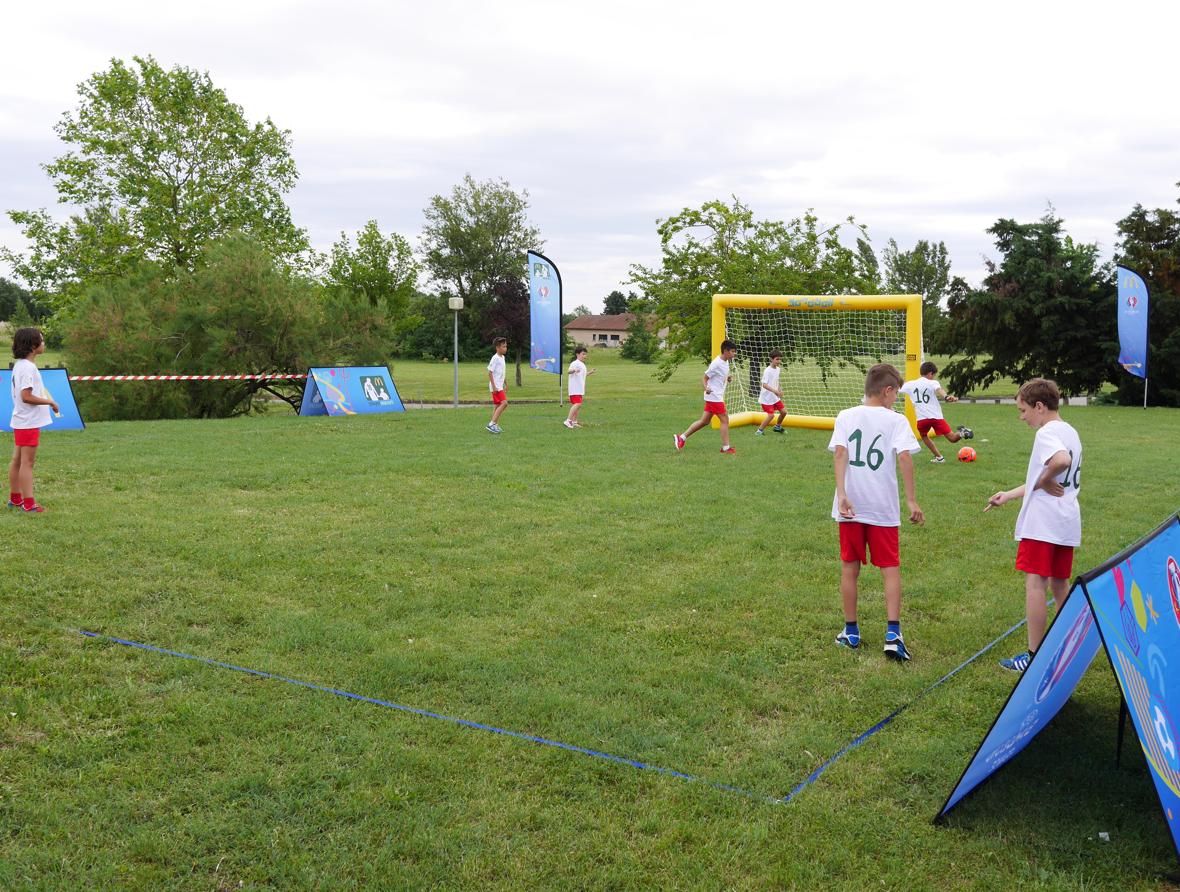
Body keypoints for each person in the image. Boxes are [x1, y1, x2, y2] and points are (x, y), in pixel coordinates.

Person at [985, 378, 1082, 673]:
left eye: (1023, 409)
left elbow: (1060, 462)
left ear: (1039, 406)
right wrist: (1010, 495)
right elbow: (1050, 476)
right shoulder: (1071, 431)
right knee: (1059, 583)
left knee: (1035, 585)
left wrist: (1041, 479)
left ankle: (1034, 656)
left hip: (1043, 524)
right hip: (1066, 521)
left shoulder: (1047, 433)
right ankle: (1070, 643)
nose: (1022, 416)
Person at [830, 363, 924, 661]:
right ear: (887, 391)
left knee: (849, 567)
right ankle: (893, 634)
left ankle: (851, 631)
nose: (896, 399)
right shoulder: (896, 421)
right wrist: (911, 501)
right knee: (890, 568)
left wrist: (842, 493)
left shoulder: (845, 416)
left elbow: (841, 453)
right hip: (882, 507)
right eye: (896, 393)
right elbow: (905, 457)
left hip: (851, 507)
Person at [8, 327, 58, 514]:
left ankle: (15, 499)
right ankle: (29, 503)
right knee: (27, 463)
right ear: (33, 345)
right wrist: (50, 401)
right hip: (28, 421)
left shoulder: (20, 365)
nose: (44, 343)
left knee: (17, 461)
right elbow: (26, 396)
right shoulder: (28, 368)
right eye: (42, 340)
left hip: (21, 420)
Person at [900, 361, 972, 462]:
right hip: (936, 417)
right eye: (933, 375)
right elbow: (939, 390)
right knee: (952, 438)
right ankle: (962, 433)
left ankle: (939, 457)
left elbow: (899, 388)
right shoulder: (932, 382)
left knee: (924, 436)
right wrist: (946, 397)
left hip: (922, 419)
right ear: (930, 373)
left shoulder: (911, 384)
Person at [674, 340, 737, 454]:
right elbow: (704, 378)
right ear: (726, 351)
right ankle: (726, 447)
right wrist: (706, 388)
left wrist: (727, 378)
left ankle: (681, 437)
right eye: (732, 351)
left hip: (715, 397)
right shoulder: (716, 363)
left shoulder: (726, 362)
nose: (734, 354)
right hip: (714, 397)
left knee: (704, 421)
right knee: (725, 420)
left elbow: (719, 376)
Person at [754, 351, 786, 436]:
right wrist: (774, 391)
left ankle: (777, 427)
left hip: (775, 397)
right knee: (771, 416)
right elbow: (764, 384)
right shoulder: (767, 371)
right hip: (766, 399)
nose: (779, 361)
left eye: (780, 359)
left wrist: (779, 390)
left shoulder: (778, 369)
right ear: (771, 359)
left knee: (784, 412)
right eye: (777, 359)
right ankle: (759, 431)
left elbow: (776, 381)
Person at [564, 346, 595, 429]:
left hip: (580, 389)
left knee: (578, 405)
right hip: (575, 388)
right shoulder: (575, 363)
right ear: (577, 354)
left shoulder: (582, 364)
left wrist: (590, 372)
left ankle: (574, 422)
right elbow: (569, 371)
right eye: (583, 354)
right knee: (577, 404)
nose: (585, 356)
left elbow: (583, 375)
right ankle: (568, 420)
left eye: (586, 354)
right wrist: (574, 370)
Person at [486, 337, 508, 434]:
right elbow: (490, 372)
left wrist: (506, 383)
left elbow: (501, 373)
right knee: (504, 403)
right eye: (503, 346)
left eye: (506, 346)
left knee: (497, 405)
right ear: (497, 348)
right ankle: (491, 424)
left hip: (500, 385)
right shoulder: (495, 358)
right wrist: (494, 387)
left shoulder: (502, 358)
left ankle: (494, 425)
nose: (505, 348)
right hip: (496, 387)